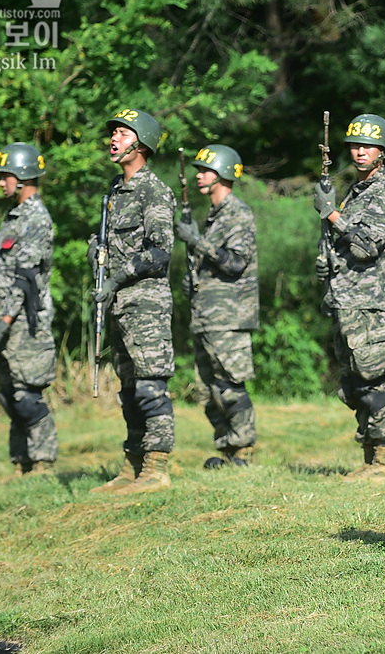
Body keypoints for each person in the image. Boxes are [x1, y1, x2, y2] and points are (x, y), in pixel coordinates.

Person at [87, 108, 177, 495]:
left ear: (141, 144)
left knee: (150, 385)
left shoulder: (153, 190)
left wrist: (119, 276)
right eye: (113, 133)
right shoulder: (113, 190)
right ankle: (133, 465)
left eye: (123, 133)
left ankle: (156, 468)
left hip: (146, 303)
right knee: (128, 387)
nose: (114, 139)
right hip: (118, 303)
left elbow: (161, 251)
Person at [313, 114, 385, 483]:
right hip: (346, 297)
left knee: (372, 379)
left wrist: (332, 213)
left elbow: (367, 246)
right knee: (353, 384)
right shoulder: (358, 189)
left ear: (382, 152)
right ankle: (369, 460)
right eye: (355, 145)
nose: (360, 151)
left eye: (368, 145)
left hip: (369, 301)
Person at [175, 144, 260, 468]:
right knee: (209, 390)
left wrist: (197, 242)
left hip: (228, 315)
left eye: (205, 170)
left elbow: (236, 262)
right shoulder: (213, 217)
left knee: (229, 385)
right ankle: (227, 449)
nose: (199, 176)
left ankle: (243, 451)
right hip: (207, 315)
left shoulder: (237, 213)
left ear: (224, 173)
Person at [0, 142, 59, 477]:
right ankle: (21, 463)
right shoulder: (12, 218)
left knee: (28, 396)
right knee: (10, 395)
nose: (0, 183)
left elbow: (25, 280)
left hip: (25, 323)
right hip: (5, 320)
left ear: (23, 177)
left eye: (5, 176)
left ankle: (43, 463)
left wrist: (5, 320)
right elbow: (6, 271)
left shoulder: (35, 219)